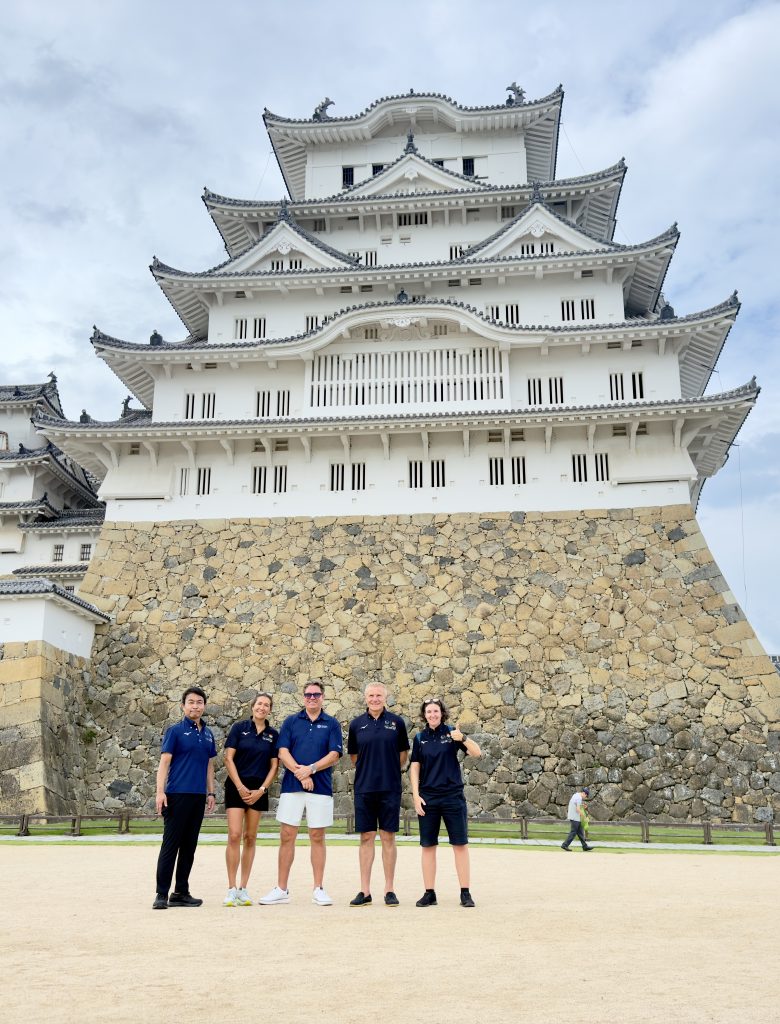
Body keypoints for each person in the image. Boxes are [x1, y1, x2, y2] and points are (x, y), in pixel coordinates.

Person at [258, 679, 343, 906]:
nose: (312, 698)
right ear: (303, 697)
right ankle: (282, 889)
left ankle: (318, 888)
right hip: (293, 786)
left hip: (321, 787)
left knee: (317, 836)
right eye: (308, 694)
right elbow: (283, 751)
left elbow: (334, 754)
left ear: (323, 697)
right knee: (287, 835)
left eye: (316, 694)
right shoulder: (291, 721)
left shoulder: (332, 723)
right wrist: (300, 774)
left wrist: (311, 770)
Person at [409, 697, 481, 908]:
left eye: (436, 711)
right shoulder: (420, 738)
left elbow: (477, 753)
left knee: (460, 845)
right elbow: (415, 768)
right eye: (429, 712)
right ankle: (429, 893)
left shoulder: (452, 733)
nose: (433, 715)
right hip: (428, 798)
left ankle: (465, 893)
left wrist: (464, 737)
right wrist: (415, 795)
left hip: (452, 797)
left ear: (442, 713)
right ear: (424, 715)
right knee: (428, 846)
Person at [153, 686, 217, 909]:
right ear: (183, 705)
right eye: (191, 702)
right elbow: (164, 762)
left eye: (199, 702)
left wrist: (211, 792)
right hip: (177, 795)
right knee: (171, 845)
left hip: (198, 796)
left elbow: (210, 765)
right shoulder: (175, 731)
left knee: (189, 846)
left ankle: (181, 891)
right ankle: (161, 893)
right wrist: (160, 792)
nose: (195, 706)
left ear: (204, 706)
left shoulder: (208, 734)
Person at [347, 683, 410, 907]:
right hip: (364, 788)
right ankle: (365, 891)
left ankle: (389, 889)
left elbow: (403, 755)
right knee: (366, 838)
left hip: (389, 788)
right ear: (365, 698)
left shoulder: (397, 723)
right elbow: (354, 757)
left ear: (386, 697)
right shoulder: (356, 725)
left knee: (388, 837)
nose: (375, 699)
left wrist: (388, 769)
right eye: (371, 695)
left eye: (379, 695)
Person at [222, 692, 280, 906]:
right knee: (235, 835)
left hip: (259, 791)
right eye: (259, 703)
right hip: (236, 787)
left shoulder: (273, 734)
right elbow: (228, 758)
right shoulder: (239, 728)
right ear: (252, 706)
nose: (262, 707)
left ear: (270, 710)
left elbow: (274, 766)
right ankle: (231, 888)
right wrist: (239, 786)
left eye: (266, 705)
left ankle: (243, 889)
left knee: (250, 837)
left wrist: (262, 789)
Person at [561, 786, 593, 851]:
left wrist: (582, 806)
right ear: (584, 793)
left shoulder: (576, 795)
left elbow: (576, 805)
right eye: (586, 796)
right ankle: (564, 845)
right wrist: (584, 818)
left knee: (580, 832)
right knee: (573, 832)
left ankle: (585, 846)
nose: (585, 798)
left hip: (574, 816)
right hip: (575, 817)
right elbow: (578, 809)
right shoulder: (579, 798)